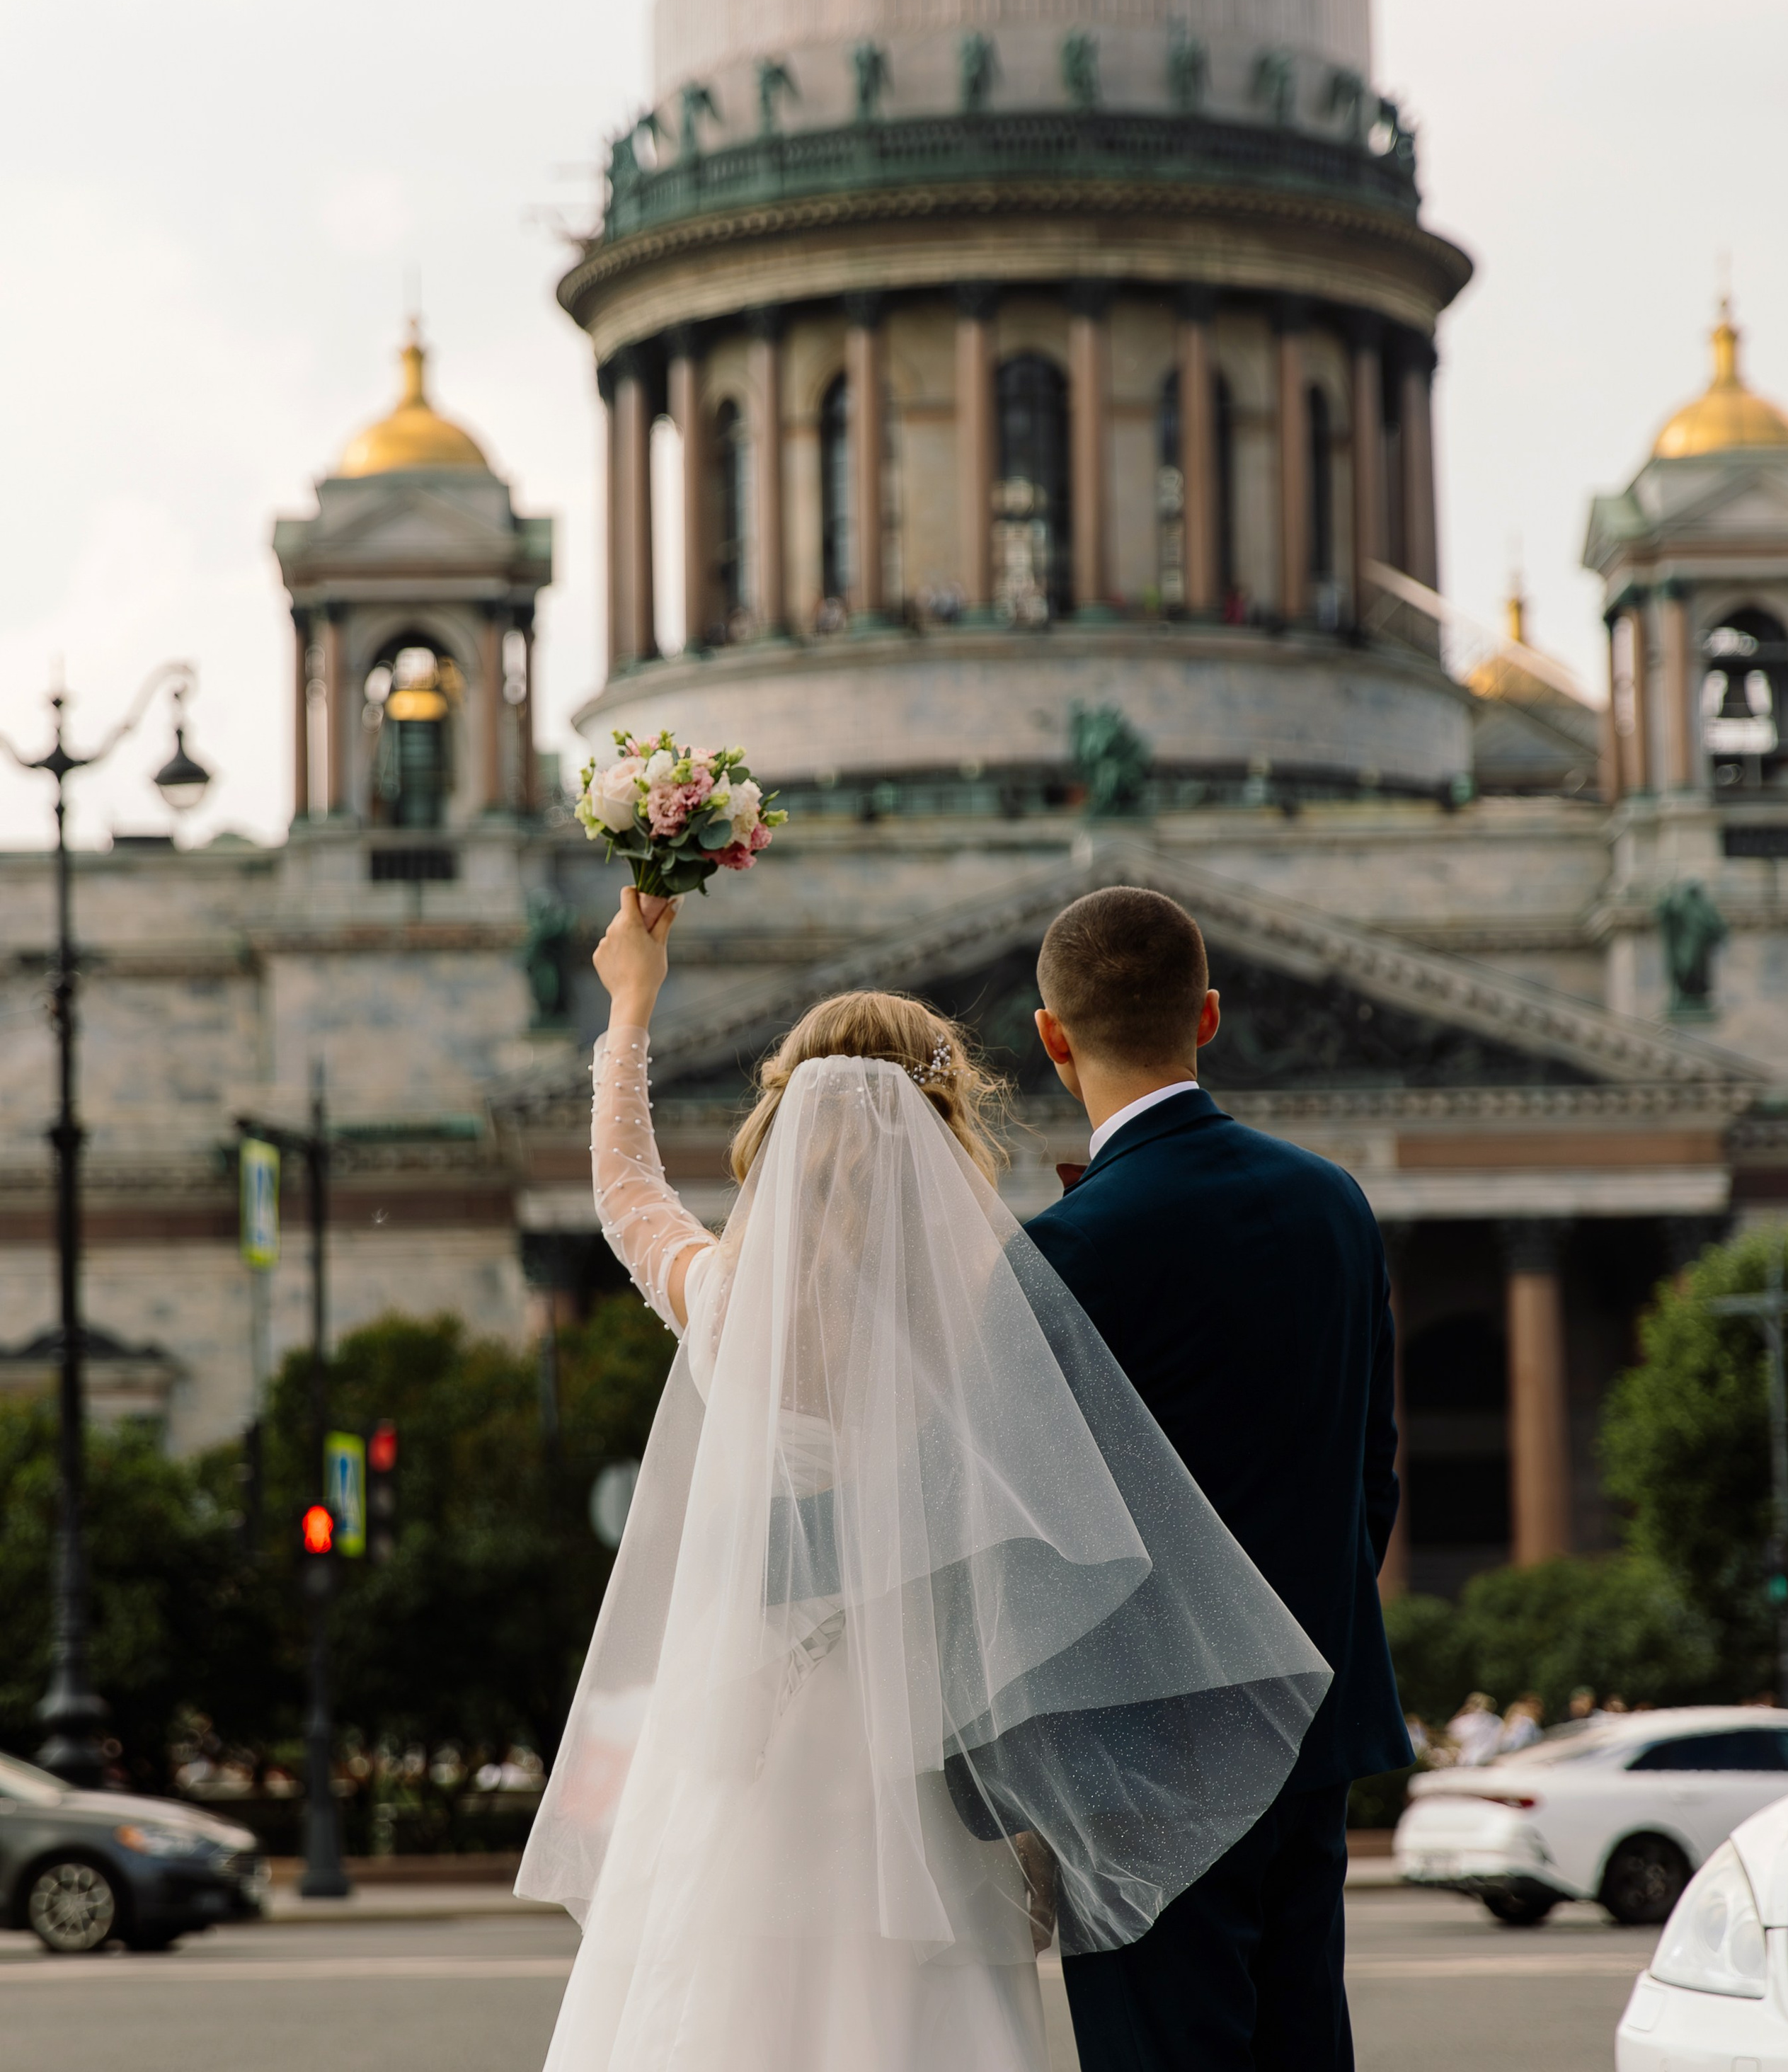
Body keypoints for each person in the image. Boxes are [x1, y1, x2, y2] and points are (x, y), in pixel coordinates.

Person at [520, 890, 1332, 2072]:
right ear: (946, 1112)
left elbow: (625, 1191)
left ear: (779, 1123)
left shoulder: (730, 1307)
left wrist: (629, 1005)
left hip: (752, 1751)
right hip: (929, 1771)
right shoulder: (995, 1304)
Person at [1023, 886, 1410, 2072]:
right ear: (1209, 1015)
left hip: (1140, 1768)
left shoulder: (1064, 1250)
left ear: (1051, 1037)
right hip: (1315, 1729)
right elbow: (1372, 1481)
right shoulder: (1333, 1203)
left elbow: (1035, 1532)